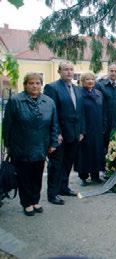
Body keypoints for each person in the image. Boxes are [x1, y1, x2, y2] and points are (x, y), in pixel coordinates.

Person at [2, 73, 59, 216]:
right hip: (21, 146)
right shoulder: (15, 101)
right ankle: (26, 203)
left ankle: (35, 200)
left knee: (37, 175)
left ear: (41, 85)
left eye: (38, 83)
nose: (35, 86)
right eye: (31, 83)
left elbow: (54, 125)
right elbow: (7, 125)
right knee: (23, 177)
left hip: (41, 146)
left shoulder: (49, 102)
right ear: (25, 85)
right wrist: (8, 144)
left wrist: (53, 143)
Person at [44, 61, 85, 205]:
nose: (69, 72)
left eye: (71, 69)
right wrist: (57, 133)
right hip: (60, 134)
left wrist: (81, 131)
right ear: (59, 71)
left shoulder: (77, 89)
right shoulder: (52, 88)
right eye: (65, 69)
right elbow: (51, 113)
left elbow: (80, 112)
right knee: (56, 164)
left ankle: (63, 187)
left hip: (74, 133)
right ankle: (52, 194)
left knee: (68, 163)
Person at [75, 73, 105, 186]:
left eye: (92, 79)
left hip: (97, 129)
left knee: (96, 152)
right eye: (87, 79)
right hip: (85, 129)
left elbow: (103, 111)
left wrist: (103, 126)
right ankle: (83, 177)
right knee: (84, 153)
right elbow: (79, 113)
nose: (90, 81)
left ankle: (95, 176)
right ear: (82, 81)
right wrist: (81, 130)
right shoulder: (79, 94)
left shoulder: (99, 94)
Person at [95, 63, 116, 148]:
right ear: (108, 72)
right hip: (104, 122)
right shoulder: (100, 85)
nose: (113, 73)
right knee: (103, 146)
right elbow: (96, 106)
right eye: (111, 71)